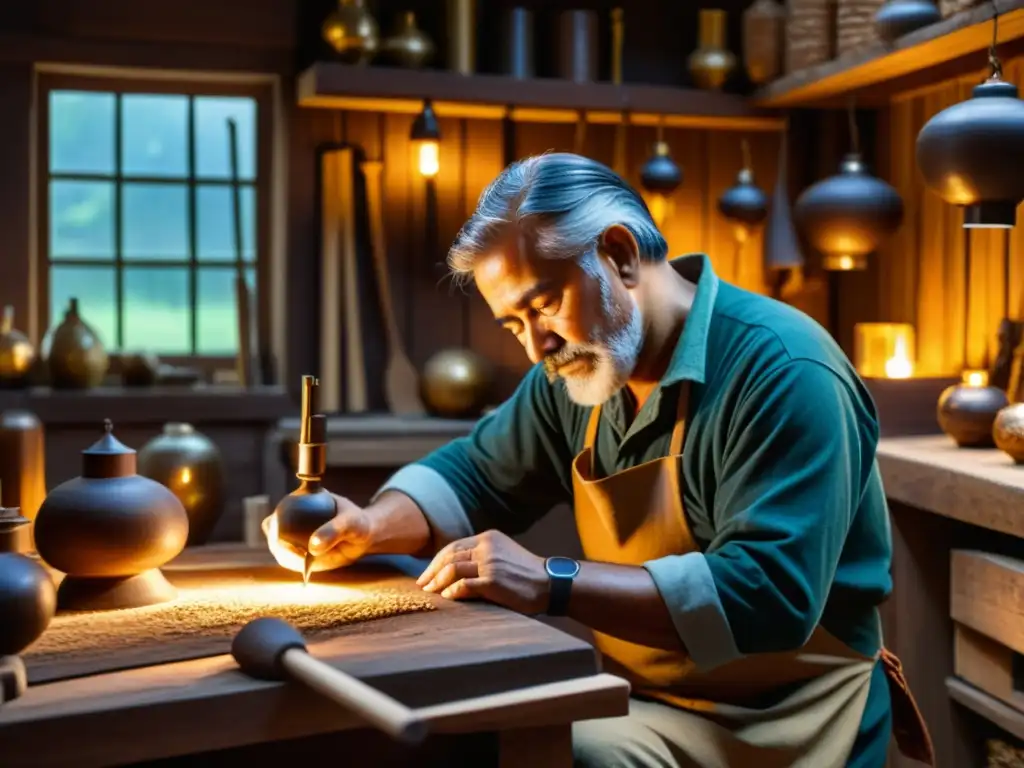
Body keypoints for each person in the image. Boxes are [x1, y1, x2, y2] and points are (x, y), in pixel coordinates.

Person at [264, 153, 933, 768]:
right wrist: (370, 525)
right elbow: (474, 474)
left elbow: (769, 596)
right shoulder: (585, 372)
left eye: (544, 304)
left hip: (797, 717)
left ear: (618, 253)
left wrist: (551, 579)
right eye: (513, 325)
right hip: (646, 700)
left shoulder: (783, 369)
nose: (536, 347)